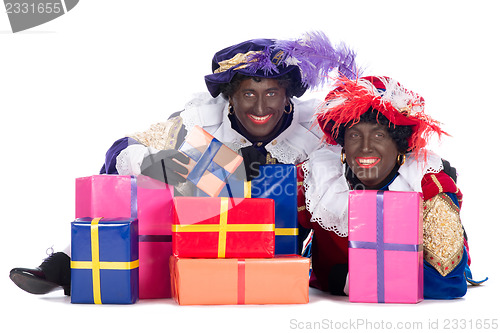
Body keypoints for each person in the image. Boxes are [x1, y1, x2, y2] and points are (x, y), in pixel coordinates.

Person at [10, 31, 358, 296]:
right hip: (214, 233)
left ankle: (350, 277)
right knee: (155, 184)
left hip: (289, 244)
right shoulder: (198, 121)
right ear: (230, 98)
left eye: (271, 93)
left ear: (287, 97)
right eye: (248, 93)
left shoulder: (318, 127)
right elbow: (121, 150)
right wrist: (151, 163)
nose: (260, 106)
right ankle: (66, 264)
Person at [298, 75, 486, 299]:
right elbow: (280, 245)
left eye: (379, 134)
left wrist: (343, 279)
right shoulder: (317, 177)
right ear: (343, 145)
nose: (365, 147)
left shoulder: (427, 184)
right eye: (355, 135)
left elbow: (447, 282)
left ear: (399, 144)